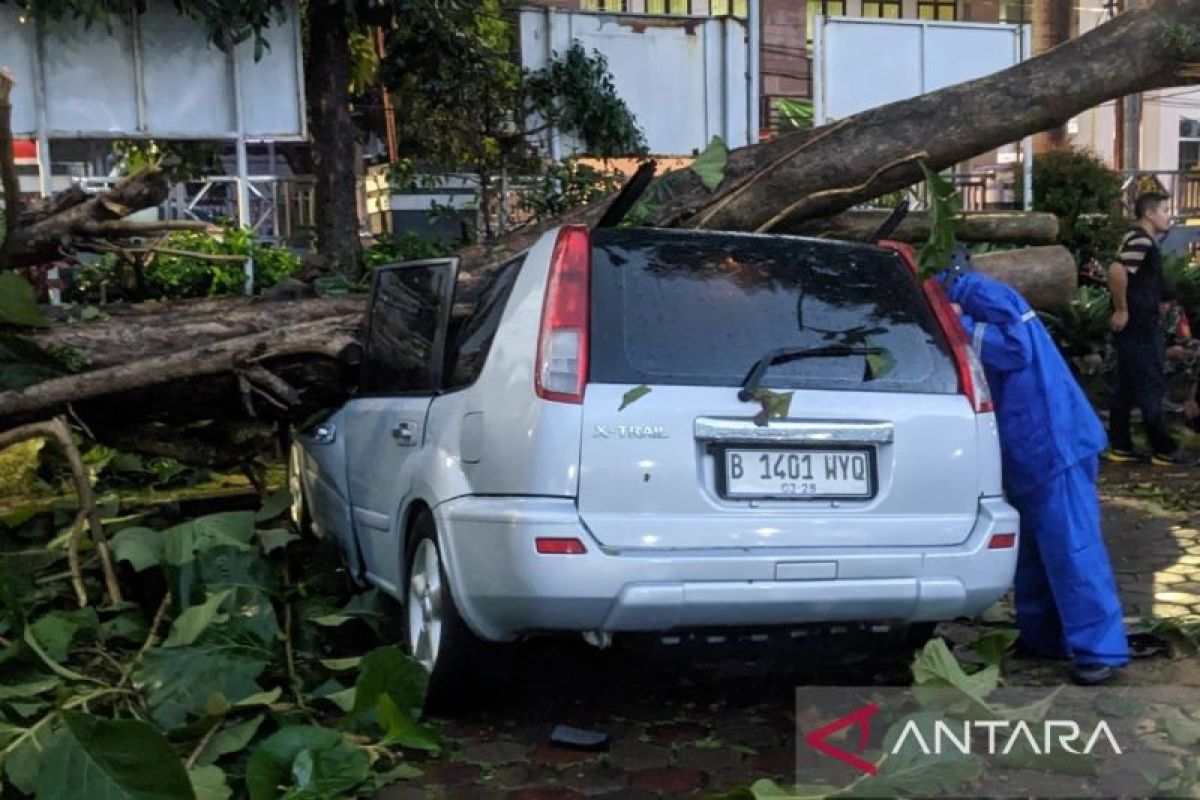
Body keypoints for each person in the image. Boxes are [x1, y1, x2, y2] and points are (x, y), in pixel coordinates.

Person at [939, 249, 1129, 686]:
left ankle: (1101, 650)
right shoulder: (974, 294)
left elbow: (1015, 348)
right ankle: (1044, 638)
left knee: (1071, 548)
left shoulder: (982, 293)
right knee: (1035, 552)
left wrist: (957, 326)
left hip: (1054, 439)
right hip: (1033, 443)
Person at [1106, 192, 1180, 465]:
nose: (1167, 215)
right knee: (1150, 384)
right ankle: (1165, 449)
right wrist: (1123, 309)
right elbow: (1117, 270)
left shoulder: (1139, 240)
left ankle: (1121, 444)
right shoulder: (1140, 239)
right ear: (1149, 213)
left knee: (1126, 385)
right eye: (1163, 210)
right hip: (1138, 325)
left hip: (1138, 324)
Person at [1161, 288, 1200, 431]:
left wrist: (1185, 349)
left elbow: (1185, 338)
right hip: (1145, 358)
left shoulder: (1176, 311)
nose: (1166, 307)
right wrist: (1165, 352)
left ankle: (1190, 399)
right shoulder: (1142, 311)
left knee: (1196, 349)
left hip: (1169, 353)